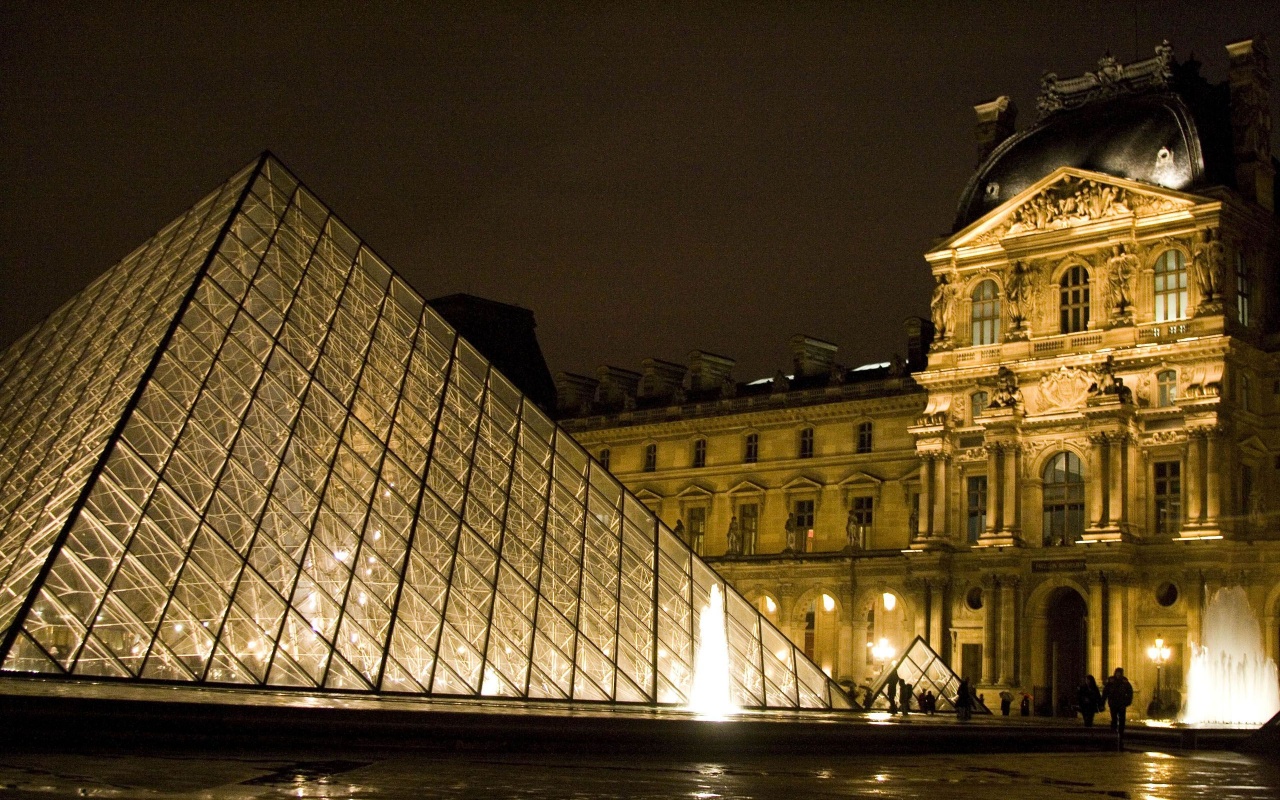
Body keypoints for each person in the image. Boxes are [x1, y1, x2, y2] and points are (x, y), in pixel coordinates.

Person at [1102, 667, 1134, 736]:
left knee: (1122, 719)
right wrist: (1103, 701)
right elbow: (1105, 692)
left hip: (1121, 703)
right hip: (1113, 703)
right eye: (1117, 673)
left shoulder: (1124, 682)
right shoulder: (1111, 681)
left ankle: (1120, 733)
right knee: (1114, 718)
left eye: (1119, 673)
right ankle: (1114, 732)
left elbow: (1130, 692)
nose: (1118, 674)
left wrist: (1127, 701)